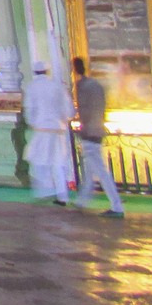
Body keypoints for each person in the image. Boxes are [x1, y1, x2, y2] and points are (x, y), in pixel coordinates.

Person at [72, 57, 125, 218]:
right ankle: (82, 200)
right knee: (90, 170)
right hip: (97, 130)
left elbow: (85, 110)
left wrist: (83, 128)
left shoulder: (82, 86)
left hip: (90, 133)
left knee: (100, 171)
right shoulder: (96, 85)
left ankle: (116, 205)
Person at [23, 60, 75, 205]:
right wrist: (64, 120)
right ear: (47, 72)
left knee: (39, 161)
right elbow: (68, 108)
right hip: (57, 130)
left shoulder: (32, 87)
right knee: (58, 163)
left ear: (35, 72)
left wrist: (32, 122)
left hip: (41, 130)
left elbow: (29, 109)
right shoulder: (57, 86)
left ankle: (46, 191)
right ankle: (62, 195)